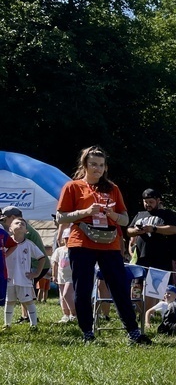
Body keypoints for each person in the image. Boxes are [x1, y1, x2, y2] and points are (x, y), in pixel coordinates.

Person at [55, 146, 152, 345]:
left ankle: (133, 332)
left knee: (118, 286)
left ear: (105, 167)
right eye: (93, 165)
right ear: (85, 165)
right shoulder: (72, 187)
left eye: (101, 165)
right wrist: (87, 211)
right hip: (81, 242)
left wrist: (112, 215)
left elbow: (125, 220)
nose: (97, 169)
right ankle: (87, 333)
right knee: (83, 289)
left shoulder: (113, 188)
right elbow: (60, 217)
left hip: (109, 244)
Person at [126, 188, 176, 311]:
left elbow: (174, 229)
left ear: (158, 200)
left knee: (154, 289)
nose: (147, 204)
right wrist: (136, 231)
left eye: (151, 201)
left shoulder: (166, 214)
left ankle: (149, 315)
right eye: (145, 202)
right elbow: (128, 231)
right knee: (136, 286)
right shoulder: (140, 214)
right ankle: (138, 312)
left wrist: (154, 229)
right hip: (141, 257)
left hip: (160, 257)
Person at [4, 217, 44, 329]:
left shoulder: (29, 244)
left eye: (23, 224)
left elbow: (42, 258)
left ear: (26, 230)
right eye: (16, 223)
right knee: (10, 301)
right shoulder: (6, 243)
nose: (20, 225)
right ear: (10, 228)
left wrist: (36, 274)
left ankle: (34, 325)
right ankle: (7, 324)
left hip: (24, 279)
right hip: (9, 279)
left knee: (28, 301)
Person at [51, 228, 76, 323]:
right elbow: (55, 263)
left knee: (67, 294)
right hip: (61, 277)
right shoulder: (59, 250)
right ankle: (66, 314)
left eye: (69, 238)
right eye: (66, 238)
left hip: (71, 276)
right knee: (62, 297)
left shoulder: (76, 250)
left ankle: (74, 313)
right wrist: (54, 275)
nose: (67, 240)